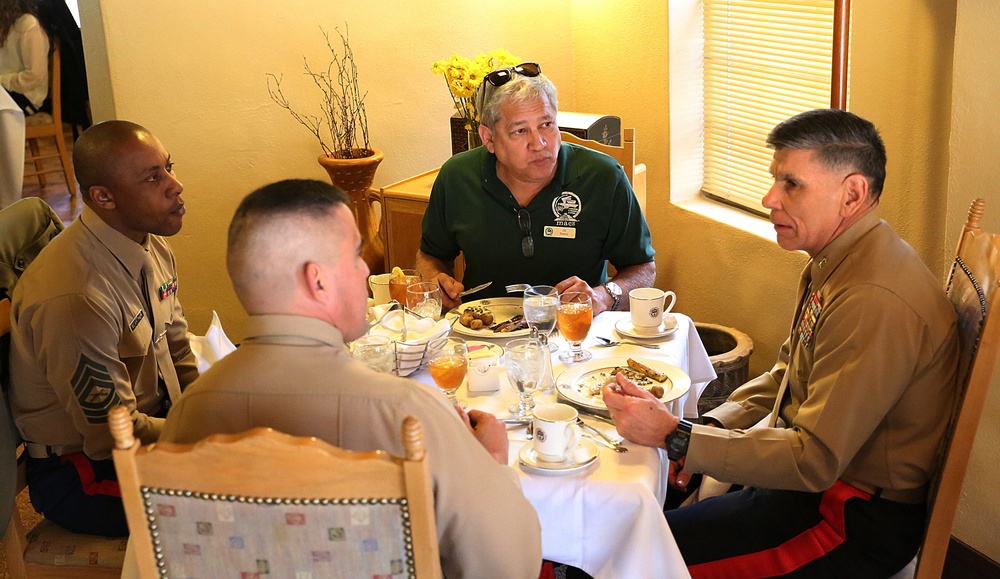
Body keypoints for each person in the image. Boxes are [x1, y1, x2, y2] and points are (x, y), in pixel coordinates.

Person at [603, 109, 959, 578]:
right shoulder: (839, 260)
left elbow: (814, 461)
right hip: (802, 490)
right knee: (634, 526)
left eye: (792, 185)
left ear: (852, 194)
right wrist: (703, 425)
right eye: (775, 181)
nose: (770, 198)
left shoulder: (873, 298)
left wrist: (679, 438)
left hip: (846, 518)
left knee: (635, 558)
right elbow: (786, 374)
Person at [159, 179, 543, 578]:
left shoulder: (191, 410)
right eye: (356, 256)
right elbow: (509, 567)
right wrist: (493, 464)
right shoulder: (407, 414)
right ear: (318, 280)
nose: (365, 270)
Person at [9, 120, 197, 536]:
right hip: (83, 473)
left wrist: (210, 413)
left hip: (149, 430)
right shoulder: (77, 297)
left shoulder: (151, 244)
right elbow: (113, 435)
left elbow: (179, 351)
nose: (175, 185)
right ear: (103, 197)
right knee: (245, 497)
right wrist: (203, 436)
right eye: (153, 177)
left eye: (168, 167)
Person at [417, 63, 655, 314]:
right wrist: (435, 281)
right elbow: (430, 256)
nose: (539, 143)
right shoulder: (457, 176)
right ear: (489, 139)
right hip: (484, 334)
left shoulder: (603, 176)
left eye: (546, 125)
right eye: (520, 131)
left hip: (575, 333)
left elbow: (643, 268)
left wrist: (604, 296)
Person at [0, 0, 49, 115]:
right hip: (5, 93)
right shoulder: (4, 25)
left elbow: (35, 75)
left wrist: (3, 81)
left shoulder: (28, 24)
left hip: (24, 97)